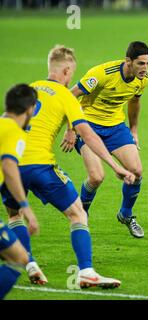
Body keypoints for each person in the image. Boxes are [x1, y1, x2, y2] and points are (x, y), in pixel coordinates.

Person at [1, 45, 136, 288]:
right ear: (65, 70)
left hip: (8, 165)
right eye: (71, 72)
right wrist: (114, 165)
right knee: (77, 213)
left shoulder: (29, 89)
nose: (71, 77)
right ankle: (86, 271)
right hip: (39, 166)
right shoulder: (65, 94)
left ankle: (29, 263)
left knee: (14, 214)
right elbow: (89, 135)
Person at [61, 41, 148, 239]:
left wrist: (134, 130)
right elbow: (69, 97)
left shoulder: (142, 79)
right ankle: (81, 215)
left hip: (115, 127)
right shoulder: (101, 74)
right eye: (141, 64)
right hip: (88, 126)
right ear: (128, 61)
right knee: (96, 177)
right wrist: (71, 128)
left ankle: (126, 215)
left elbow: (135, 101)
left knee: (136, 172)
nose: (145, 69)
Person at [0, 84, 39, 298]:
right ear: (30, 109)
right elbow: (9, 167)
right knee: (18, 259)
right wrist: (25, 206)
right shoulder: (16, 133)